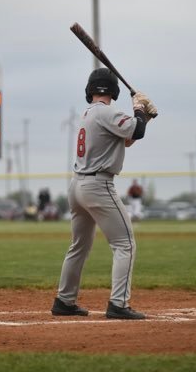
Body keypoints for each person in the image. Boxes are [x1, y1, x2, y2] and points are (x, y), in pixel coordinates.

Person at [51, 67, 157, 320]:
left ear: (90, 90)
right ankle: (118, 304)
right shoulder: (107, 112)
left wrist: (145, 116)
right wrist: (139, 108)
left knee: (79, 246)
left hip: (78, 186)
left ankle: (64, 301)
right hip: (98, 186)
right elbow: (136, 130)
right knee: (125, 244)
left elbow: (129, 137)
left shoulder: (90, 113)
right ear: (113, 90)